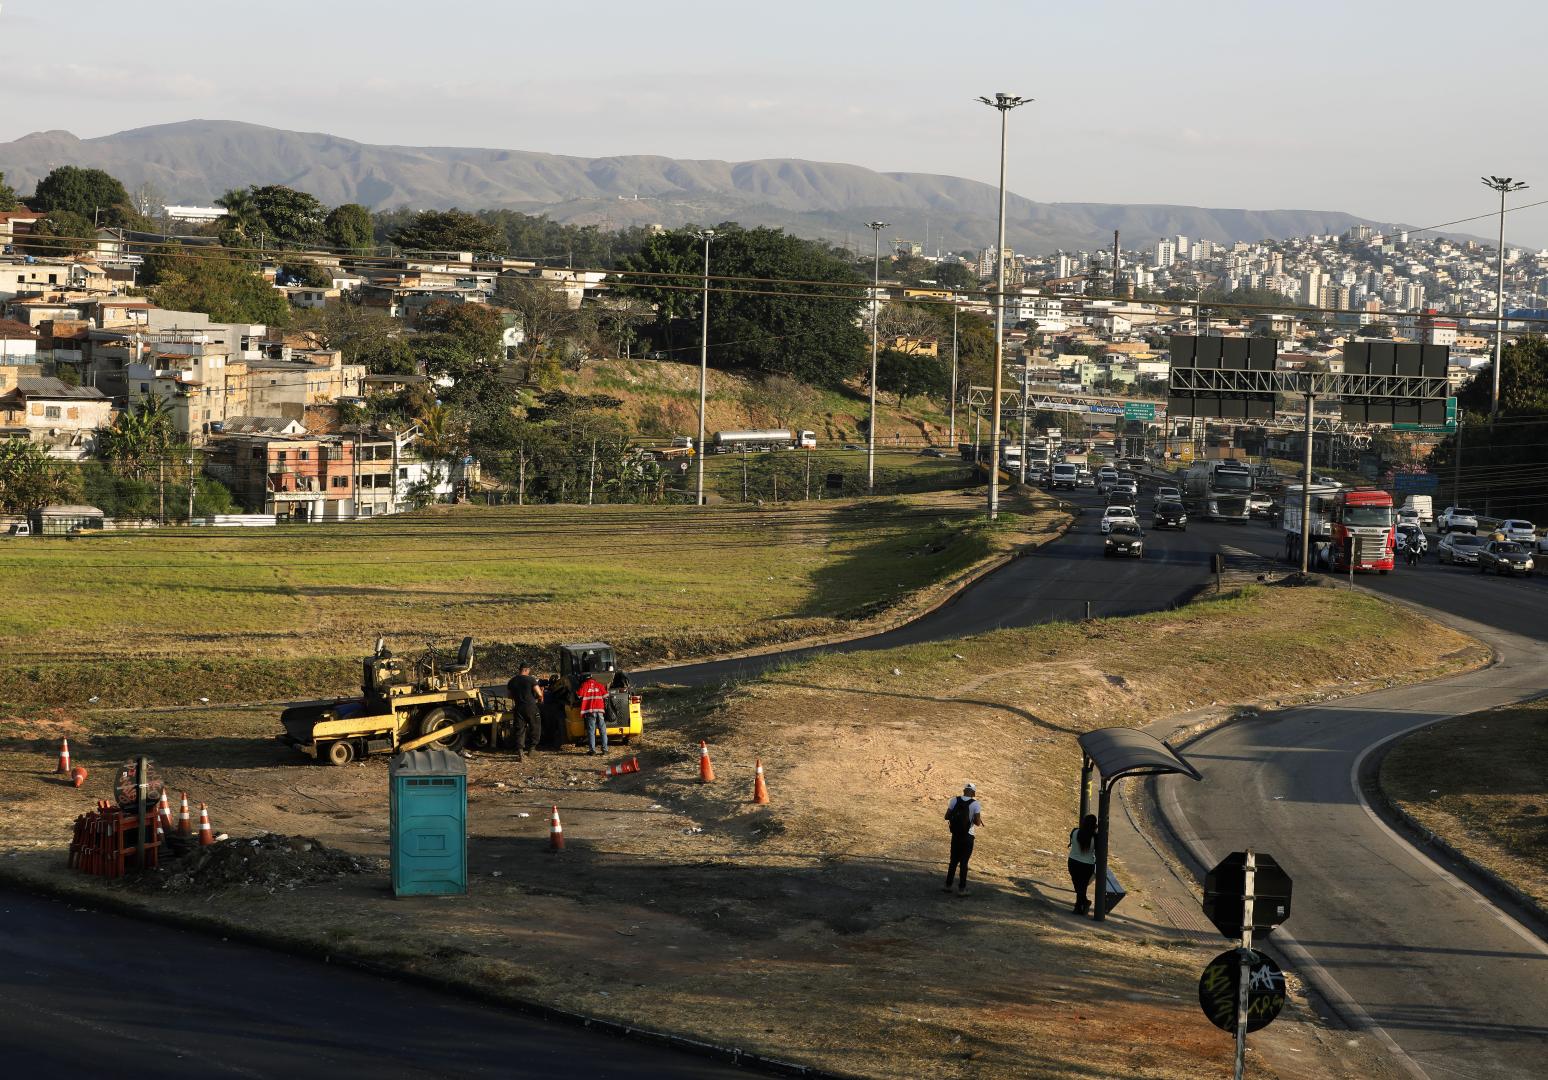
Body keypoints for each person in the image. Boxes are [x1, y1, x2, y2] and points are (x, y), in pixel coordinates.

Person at [943, 783, 983, 895]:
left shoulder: (954, 800)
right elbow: (978, 823)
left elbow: (946, 816)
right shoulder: (975, 804)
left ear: (964, 790)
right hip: (968, 836)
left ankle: (948, 885)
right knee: (964, 863)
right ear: (973, 793)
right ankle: (962, 889)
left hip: (956, 835)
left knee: (953, 861)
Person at [506, 664, 542, 759]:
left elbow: (509, 696)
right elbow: (539, 693)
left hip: (518, 707)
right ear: (526, 670)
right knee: (535, 726)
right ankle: (532, 749)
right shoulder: (531, 680)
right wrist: (538, 697)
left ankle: (520, 751)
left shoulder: (512, 681)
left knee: (520, 729)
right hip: (530, 707)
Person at [1068, 814, 1098, 915]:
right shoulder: (1095, 838)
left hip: (1073, 862)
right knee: (1082, 886)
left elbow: (1071, 842)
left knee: (1078, 885)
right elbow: (1098, 852)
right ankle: (1081, 904)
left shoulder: (1075, 831)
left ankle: (1080, 905)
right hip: (1087, 865)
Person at [578, 669, 609, 755]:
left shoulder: (584, 685)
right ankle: (605, 749)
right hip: (600, 711)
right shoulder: (599, 685)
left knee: (591, 731)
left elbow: (579, 695)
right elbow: (606, 695)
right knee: (602, 730)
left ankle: (592, 750)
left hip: (590, 711)